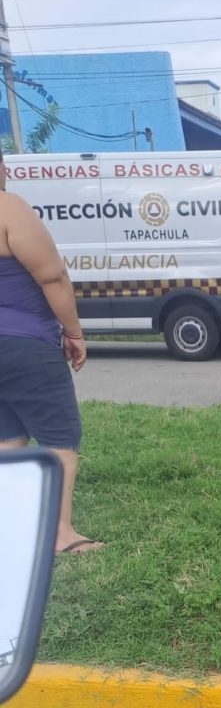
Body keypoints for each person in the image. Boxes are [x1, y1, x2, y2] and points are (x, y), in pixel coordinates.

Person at [0, 147, 102, 554]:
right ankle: (60, 534)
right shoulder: (9, 208)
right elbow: (53, 276)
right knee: (60, 437)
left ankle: (10, 523)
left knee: (7, 436)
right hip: (24, 344)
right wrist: (73, 332)